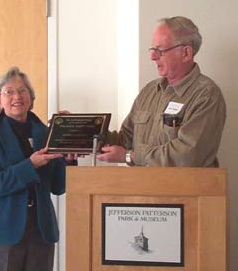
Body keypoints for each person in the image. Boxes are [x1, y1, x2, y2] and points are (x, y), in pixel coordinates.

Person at [0, 67, 68, 271]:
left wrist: (68, 160)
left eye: (23, 90)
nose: (17, 96)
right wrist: (30, 165)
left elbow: (58, 187)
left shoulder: (48, 134)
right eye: (9, 92)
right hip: (1, 233)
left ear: (31, 98)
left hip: (40, 232)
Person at [97, 16, 226, 167]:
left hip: (184, 189)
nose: (152, 56)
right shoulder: (149, 91)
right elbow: (125, 140)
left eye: (160, 50)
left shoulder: (206, 95)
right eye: (153, 49)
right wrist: (80, 134)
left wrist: (130, 156)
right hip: (141, 187)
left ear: (186, 53)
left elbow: (187, 154)